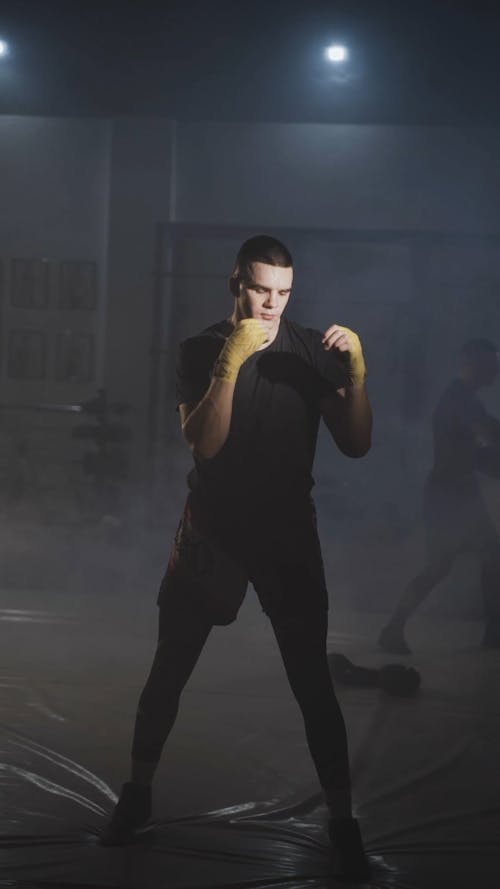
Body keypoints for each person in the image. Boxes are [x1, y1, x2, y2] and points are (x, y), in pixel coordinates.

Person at [101, 235, 373, 880]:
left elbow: (357, 443)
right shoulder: (200, 348)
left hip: (287, 534)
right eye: (260, 290)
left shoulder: (308, 349)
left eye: (282, 292)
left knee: (312, 681)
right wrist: (229, 364)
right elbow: (206, 445)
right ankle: (135, 796)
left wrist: (358, 377)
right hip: (213, 530)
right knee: (170, 668)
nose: (271, 304)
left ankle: (343, 820)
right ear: (236, 283)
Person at [379, 338, 500, 655]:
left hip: (457, 493)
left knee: (486, 557)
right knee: (440, 566)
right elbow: (480, 444)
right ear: (474, 364)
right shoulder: (459, 401)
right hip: (449, 496)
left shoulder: (465, 399)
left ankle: (493, 632)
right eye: (491, 363)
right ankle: (393, 629)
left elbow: (486, 439)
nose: (495, 370)